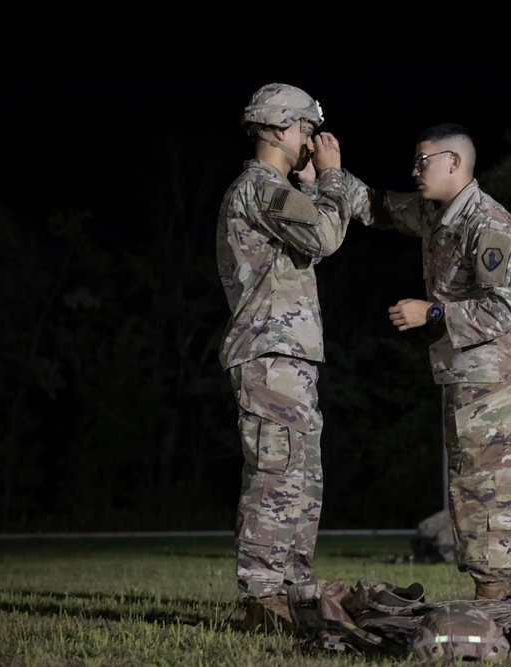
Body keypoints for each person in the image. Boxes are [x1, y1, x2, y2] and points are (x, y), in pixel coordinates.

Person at [347, 124, 511, 600]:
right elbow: (379, 206)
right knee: (468, 478)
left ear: (454, 162)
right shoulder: (437, 214)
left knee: (487, 480)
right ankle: (490, 591)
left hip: (495, 371)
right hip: (465, 367)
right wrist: (324, 176)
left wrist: (430, 310)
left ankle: (496, 595)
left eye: (422, 161)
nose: (414, 170)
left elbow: (504, 308)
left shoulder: (488, 224)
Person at [216, 83, 353, 631]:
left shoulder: (276, 190)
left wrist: (316, 187)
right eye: (302, 129)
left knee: (302, 476)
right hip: (268, 352)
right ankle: (262, 597)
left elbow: (313, 231)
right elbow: (323, 236)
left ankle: (294, 592)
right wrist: (333, 177)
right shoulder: (258, 187)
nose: (310, 140)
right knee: (275, 472)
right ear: (276, 129)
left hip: (289, 354)